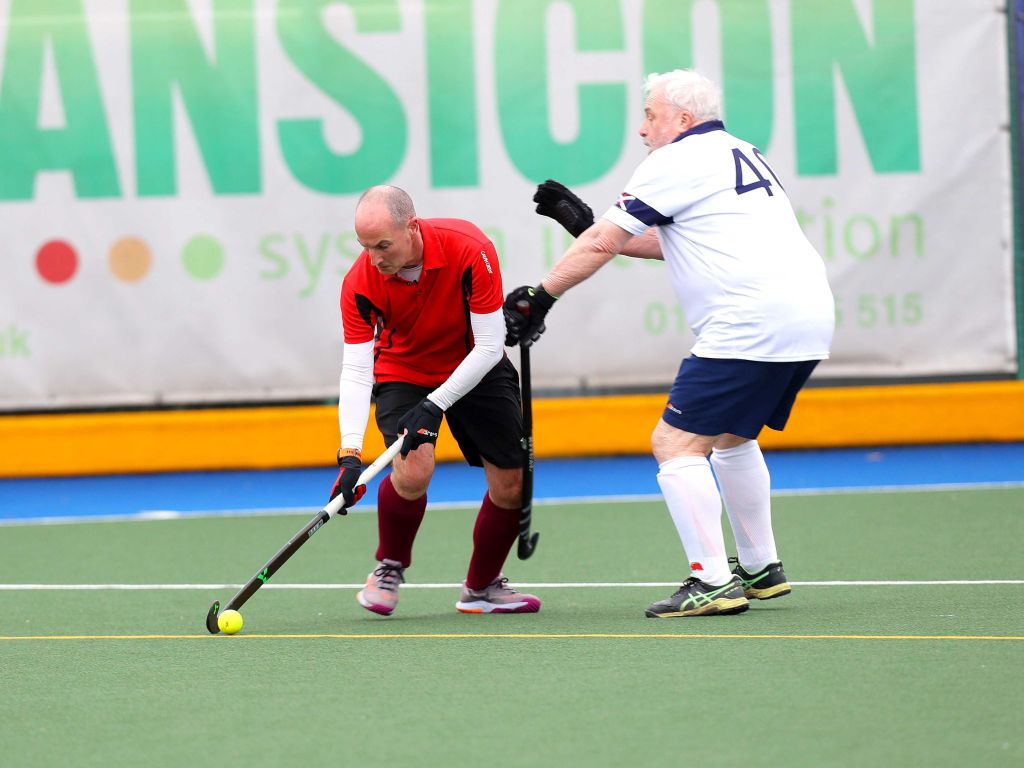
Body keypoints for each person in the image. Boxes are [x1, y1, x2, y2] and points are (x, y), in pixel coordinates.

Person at [505, 69, 834, 618]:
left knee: (675, 444)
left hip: (748, 321)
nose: (641, 129)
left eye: (649, 115)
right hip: (805, 316)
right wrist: (589, 227)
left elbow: (606, 243)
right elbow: (676, 242)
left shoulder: (675, 159)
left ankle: (712, 582)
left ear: (683, 119)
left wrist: (541, 297)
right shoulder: (739, 150)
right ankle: (760, 567)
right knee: (731, 437)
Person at [330, 185, 541, 617]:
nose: (374, 258)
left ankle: (481, 587)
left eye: (383, 245)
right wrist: (350, 453)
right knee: (413, 470)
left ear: (412, 227)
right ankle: (389, 566)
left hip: (475, 364)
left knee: (512, 485)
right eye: (364, 246)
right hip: (403, 371)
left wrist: (436, 404)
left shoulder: (469, 249)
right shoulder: (359, 283)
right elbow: (356, 370)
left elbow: (489, 347)